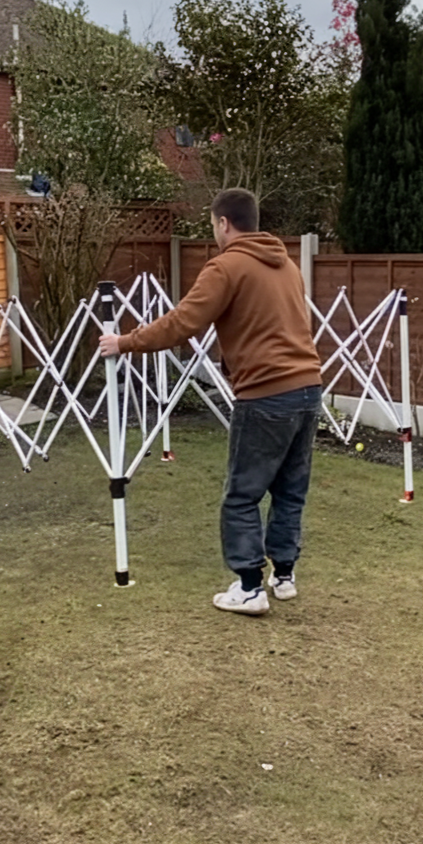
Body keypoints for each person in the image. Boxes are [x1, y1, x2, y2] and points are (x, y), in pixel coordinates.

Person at [98, 188, 322, 615]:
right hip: (309, 387)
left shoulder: (225, 267)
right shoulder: (288, 266)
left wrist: (124, 342)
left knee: (242, 493)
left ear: (223, 223)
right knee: (290, 490)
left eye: (213, 225)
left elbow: (183, 323)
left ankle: (250, 586)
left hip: (265, 393)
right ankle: (284, 575)